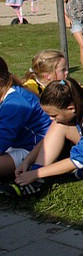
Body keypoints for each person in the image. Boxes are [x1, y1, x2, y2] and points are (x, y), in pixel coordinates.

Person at [0, 57, 51, 188]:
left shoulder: (15, 102)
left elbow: (3, 139)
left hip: (33, 149)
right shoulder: (7, 94)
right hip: (17, 143)